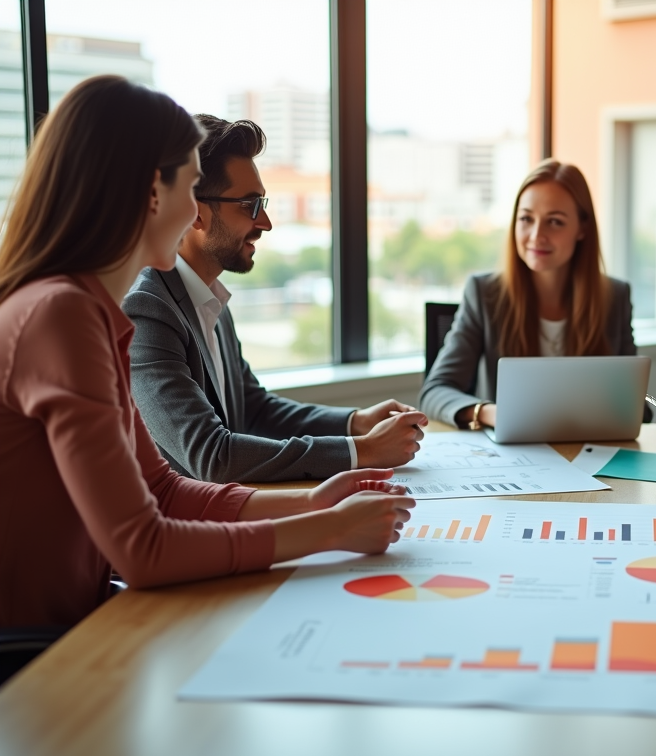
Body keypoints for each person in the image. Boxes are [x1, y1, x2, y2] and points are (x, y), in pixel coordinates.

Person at [0, 76, 414, 629]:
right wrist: (328, 531)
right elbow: (142, 550)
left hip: (80, 624)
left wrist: (315, 502)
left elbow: (162, 491)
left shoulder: (86, 310)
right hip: (38, 655)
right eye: (191, 187)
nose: (196, 210)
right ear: (155, 192)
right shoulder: (62, 315)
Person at [123, 115, 427, 483]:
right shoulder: (147, 309)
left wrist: (355, 423)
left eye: (262, 203)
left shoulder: (209, 298)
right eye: (249, 205)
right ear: (195, 212)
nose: (265, 221)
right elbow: (211, 456)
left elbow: (254, 408)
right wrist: (362, 451)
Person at [419, 159, 641, 428]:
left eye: (555, 222)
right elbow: (434, 392)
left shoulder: (614, 297)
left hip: (588, 454)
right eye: (526, 219)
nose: (536, 235)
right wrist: (491, 413)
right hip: (511, 458)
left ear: (582, 228)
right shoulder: (485, 293)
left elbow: (636, 407)